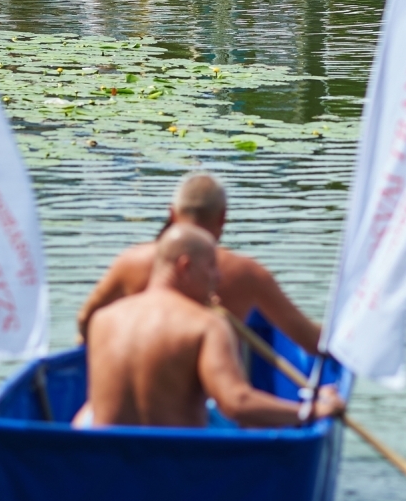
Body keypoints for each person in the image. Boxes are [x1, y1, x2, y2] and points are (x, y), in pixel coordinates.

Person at [72, 223, 344, 429]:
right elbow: (237, 403)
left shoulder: (102, 320)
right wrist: (311, 410)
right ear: (184, 267)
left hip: (105, 462)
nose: (218, 276)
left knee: (87, 412)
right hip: (179, 464)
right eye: (211, 266)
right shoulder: (206, 325)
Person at [77, 172, 321, 356]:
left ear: (172, 214)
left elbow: (86, 320)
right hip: (211, 396)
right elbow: (311, 341)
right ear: (222, 218)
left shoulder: (130, 262)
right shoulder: (247, 274)